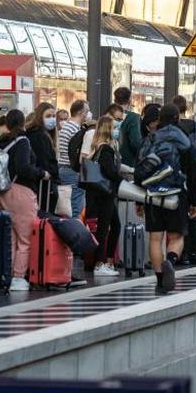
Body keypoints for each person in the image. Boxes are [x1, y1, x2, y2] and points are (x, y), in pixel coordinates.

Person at [140, 104, 196, 293]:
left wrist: (138, 199)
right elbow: (193, 173)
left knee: (155, 238)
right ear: (177, 118)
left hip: (153, 194)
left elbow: (140, 168)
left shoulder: (151, 138)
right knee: (176, 237)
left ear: (159, 119)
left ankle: (159, 281)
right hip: (177, 193)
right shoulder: (184, 140)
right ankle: (171, 260)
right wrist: (194, 200)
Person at [0, 109, 50, 291]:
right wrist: (42, 173)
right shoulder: (23, 141)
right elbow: (24, 167)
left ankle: (6, 274)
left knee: (10, 237)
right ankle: (18, 277)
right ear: (23, 123)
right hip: (20, 192)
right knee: (25, 238)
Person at [84, 116, 122, 277]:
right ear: (108, 129)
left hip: (97, 193)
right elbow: (110, 172)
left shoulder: (96, 147)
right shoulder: (106, 149)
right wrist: (123, 179)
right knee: (103, 228)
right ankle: (100, 263)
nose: (116, 130)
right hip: (104, 194)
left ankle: (107, 260)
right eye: (114, 127)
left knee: (114, 225)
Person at [57, 100, 89, 218]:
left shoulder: (66, 127)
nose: (88, 114)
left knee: (66, 208)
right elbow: (79, 153)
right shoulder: (76, 130)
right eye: (87, 110)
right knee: (75, 209)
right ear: (82, 112)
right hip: (73, 171)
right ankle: (74, 233)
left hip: (63, 169)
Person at [25, 102, 59, 213]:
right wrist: (51, 173)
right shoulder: (39, 136)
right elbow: (44, 161)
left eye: (54, 116)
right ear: (40, 117)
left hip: (40, 184)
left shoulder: (39, 134)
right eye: (48, 116)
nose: (52, 119)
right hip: (42, 185)